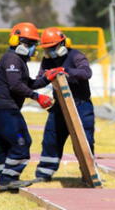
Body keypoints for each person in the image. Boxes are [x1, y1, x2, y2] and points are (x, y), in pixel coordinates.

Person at [0, 22, 54, 193]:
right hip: (4, 111)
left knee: (5, 144)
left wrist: (47, 78)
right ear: (17, 41)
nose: (33, 49)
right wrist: (38, 97)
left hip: (0, 111)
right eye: (29, 44)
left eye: (34, 45)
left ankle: (4, 179)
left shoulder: (19, 60)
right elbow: (16, 85)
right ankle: (8, 179)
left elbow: (28, 83)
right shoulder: (12, 59)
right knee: (21, 142)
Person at [30, 27, 95, 184]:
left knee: (84, 141)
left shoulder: (76, 56)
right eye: (47, 49)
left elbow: (86, 73)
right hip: (60, 106)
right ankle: (44, 173)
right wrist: (47, 76)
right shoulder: (47, 60)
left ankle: (89, 174)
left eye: (52, 48)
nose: (50, 52)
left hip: (81, 105)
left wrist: (66, 70)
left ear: (62, 44)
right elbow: (40, 79)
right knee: (51, 138)